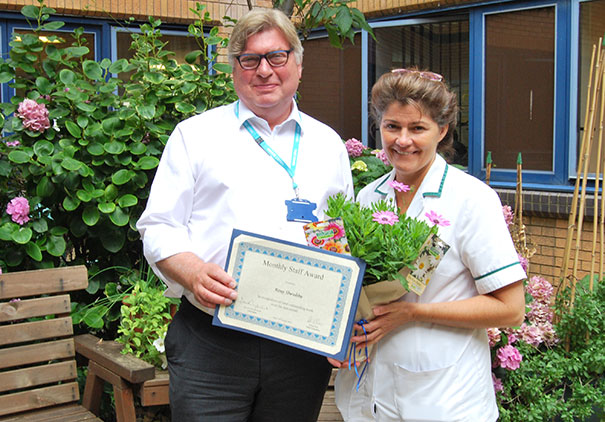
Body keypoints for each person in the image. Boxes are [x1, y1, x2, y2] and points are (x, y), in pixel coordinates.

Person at [136, 8, 353, 421]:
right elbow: (159, 225)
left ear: (299, 65)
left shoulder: (329, 146)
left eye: (277, 56)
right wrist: (194, 272)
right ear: (234, 69)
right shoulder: (195, 135)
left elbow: (339, 238)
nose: (264, 70)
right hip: (211, 342)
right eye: (249, 59)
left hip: (298, 347)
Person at [332, 68, 526, 421]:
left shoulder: (470, 200)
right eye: (392, 126)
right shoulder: (367, 197)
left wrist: (412, 312)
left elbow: (511, 308)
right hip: (367, 398)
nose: (402, 140)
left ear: (443, 130)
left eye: (417, 128)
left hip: (443, 400)